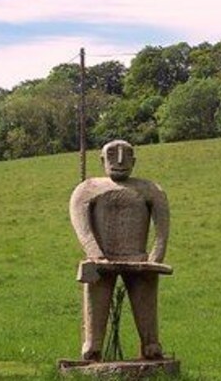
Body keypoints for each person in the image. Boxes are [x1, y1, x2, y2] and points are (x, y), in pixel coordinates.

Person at [69, 140, 170, 361]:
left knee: (145, 296)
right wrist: (94, 252)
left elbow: (162, 226)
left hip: (139, 258)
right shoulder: (89, 189)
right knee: (96, 292)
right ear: (102, 160)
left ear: (134, 161)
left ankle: (150, 342)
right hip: (101, 259)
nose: (120, 161)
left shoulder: (149, 189)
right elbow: (81, 223)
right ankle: (93, 344)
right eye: (113, 155)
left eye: (127, 155)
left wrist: (155, 256)